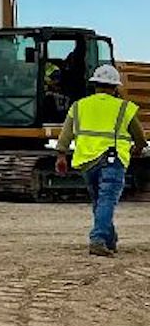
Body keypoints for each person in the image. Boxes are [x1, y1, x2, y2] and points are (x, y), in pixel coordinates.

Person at [54, 64, 145, 256]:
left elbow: (65, 135)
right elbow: (140, 138)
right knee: (107, 200)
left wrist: (61, 156)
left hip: (87, 161)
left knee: (100, 201)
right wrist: (137, 149)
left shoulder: (79, 106)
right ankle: (98, 238)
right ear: (115, 87)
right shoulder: (123, 108)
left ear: (94, 84)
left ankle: (109, 239)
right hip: (113, 160)